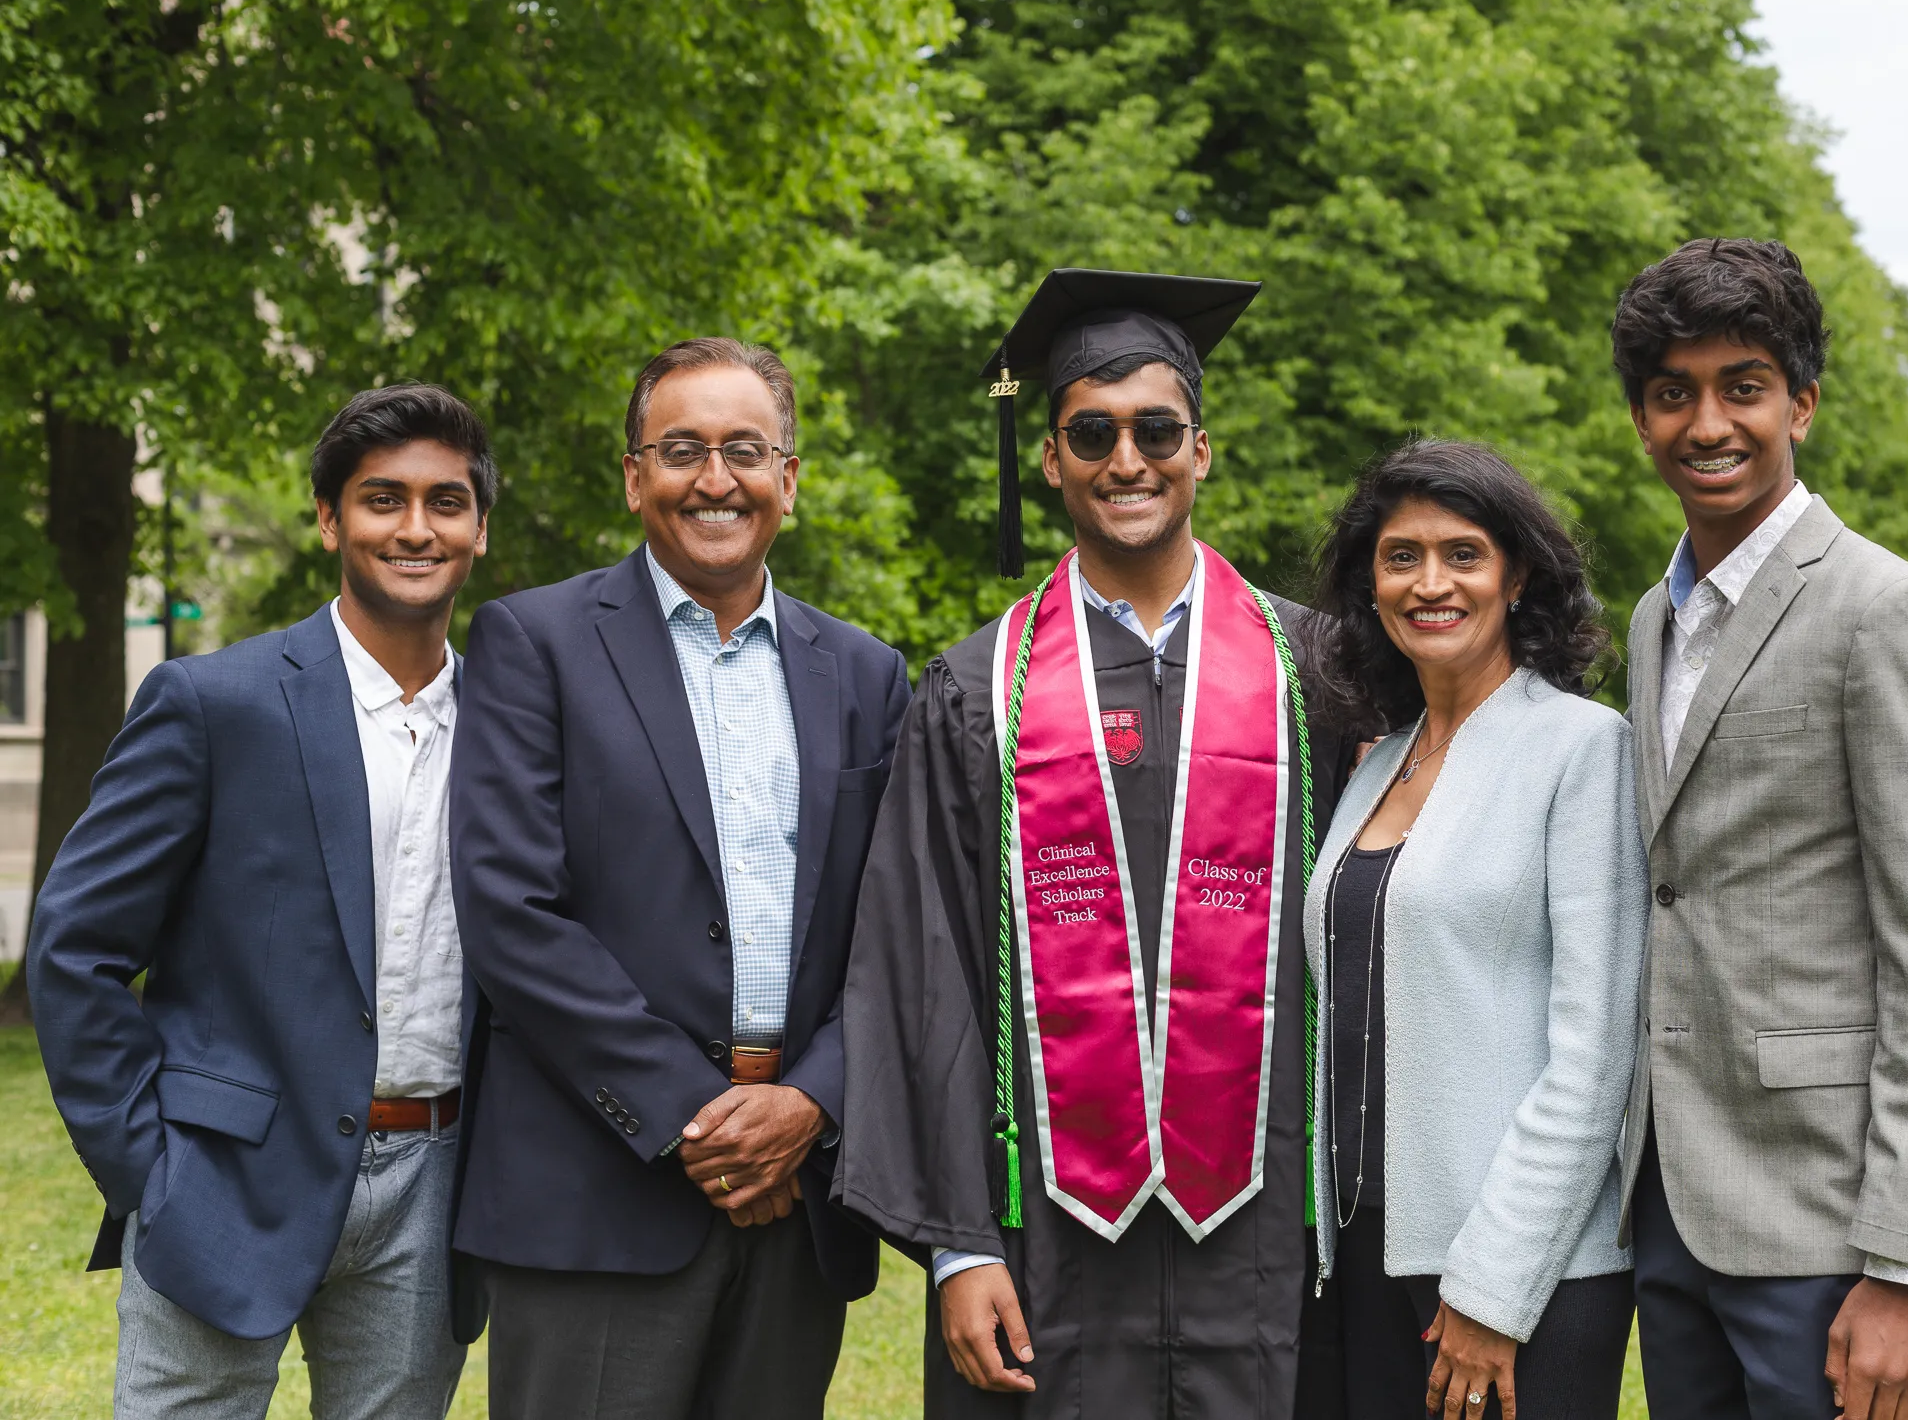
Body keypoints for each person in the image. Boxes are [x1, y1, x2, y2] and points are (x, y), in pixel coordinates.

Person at [836, 268, 1350, 1418]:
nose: (1128, 459)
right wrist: (960, 1244)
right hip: (1042, 1235)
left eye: (1155, 429)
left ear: (1202, 449)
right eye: (1092, 432)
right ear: (1053, 458)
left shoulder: (1314, 671)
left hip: (1269, 1226)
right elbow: (923, 974)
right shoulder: (980, 687)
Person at [448, 337, 909, 1418]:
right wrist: (700, 1114)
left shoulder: (865, 671)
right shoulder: (535, 641)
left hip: (797, 1194)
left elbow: (897, 926)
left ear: (787, 480)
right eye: (682, 449)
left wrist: (808, 1102)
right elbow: (512, 910)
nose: (715, 478)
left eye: (744, 450)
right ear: (633, 475)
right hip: (596, 1187)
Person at [29, 384, 495, 1417]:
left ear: (477, 527)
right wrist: (148, 1166)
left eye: (445, 501)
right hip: (218, 1178)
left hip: (434, 1183)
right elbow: (74, 944)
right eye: (382, 499)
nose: (415, 527)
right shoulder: (215, 703)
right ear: (329, 518)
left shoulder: (514, 722)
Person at [1610, 238, 1908, 1420]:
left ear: (1802, 402)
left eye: (1742, 385)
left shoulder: (1884, 611)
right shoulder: (1650, 618)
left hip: (1824, 1214)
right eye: (1672, 392)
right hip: (1671, 1203)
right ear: (1639, 417)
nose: (1708, 422)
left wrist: (1902, 1262)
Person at [1294, 440, 1645, 1420]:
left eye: (1462, 552)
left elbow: (1591, 1058)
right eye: (1400, 555)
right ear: (1369, 581)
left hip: (1514, 1272)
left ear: (1515, 573)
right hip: (1365, 1254)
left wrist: (1493, 1287)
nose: (1429, 581)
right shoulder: (1378, 762)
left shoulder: (1580, 749)